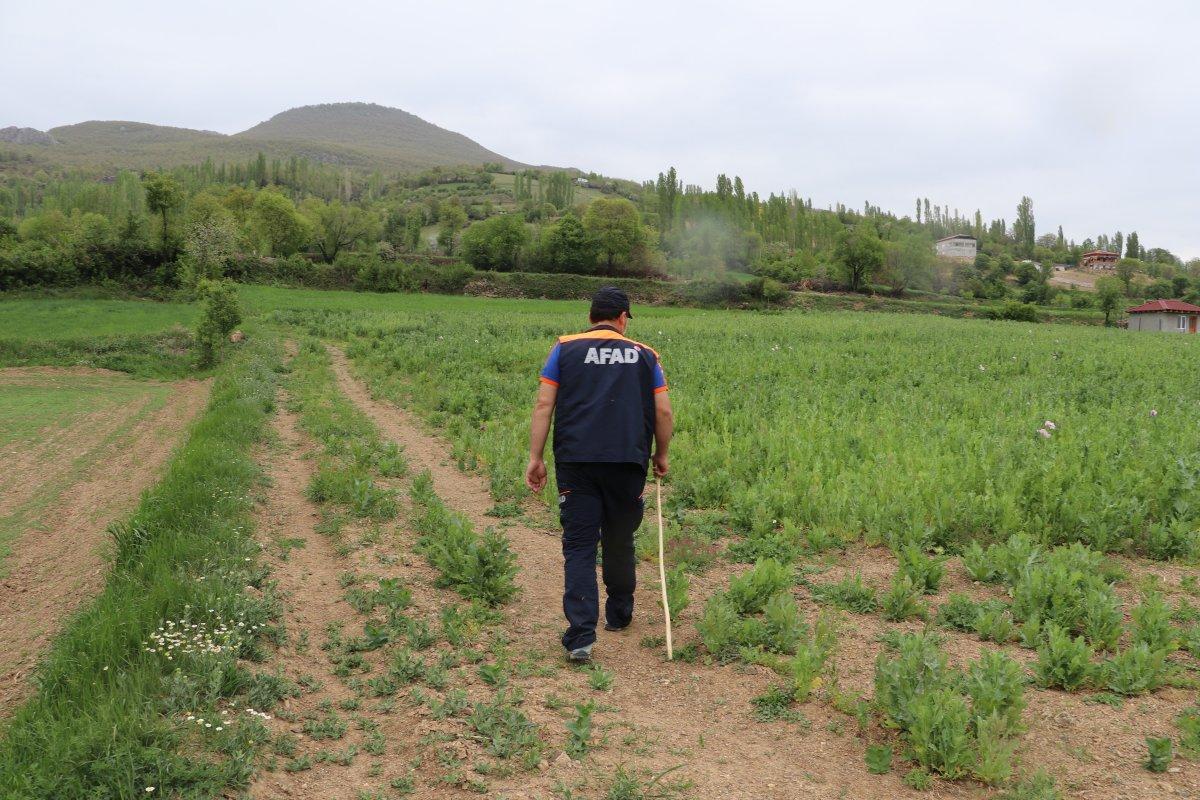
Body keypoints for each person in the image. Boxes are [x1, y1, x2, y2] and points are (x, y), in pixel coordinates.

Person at [525, 286, 674, 663]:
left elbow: (545, 404)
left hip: (577, 462)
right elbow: (663, 413)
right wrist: (662, 454)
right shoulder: (646, 355)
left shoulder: (564, 348)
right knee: (620, 536)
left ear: (591, 315)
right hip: (628, 461)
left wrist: (536, 457)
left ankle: (580, 637)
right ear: (623, 317)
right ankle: (619, 615)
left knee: (579, 544)